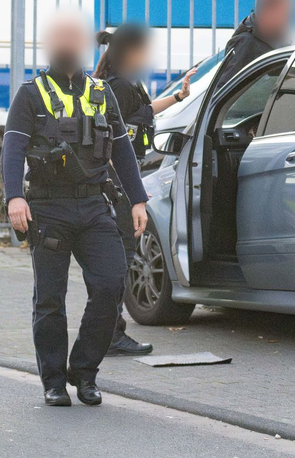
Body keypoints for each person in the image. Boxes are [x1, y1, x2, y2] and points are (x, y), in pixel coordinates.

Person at [1, 11, 149, 408]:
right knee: (50, 298)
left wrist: (137, 199)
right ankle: (53, 381)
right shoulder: (31, 94)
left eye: (74, 37)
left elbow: (121, 148)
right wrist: (14, 196)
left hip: (94, 205)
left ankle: (83, 371)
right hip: (48, 207)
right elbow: (12, 147)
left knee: (110, 284)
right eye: (60, 38)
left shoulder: (102, 92)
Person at [94, 23, 195, 357]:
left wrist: (179, 97)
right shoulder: (119, 86)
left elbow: (144, 114)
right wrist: (120, 186)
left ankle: (109, 333)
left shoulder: (123, 83)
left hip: (121, 182)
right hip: (118, 185)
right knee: (118, 261)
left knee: (119, 260)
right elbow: (109, 139)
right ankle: (110, 334)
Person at [210, 0, 294, 93]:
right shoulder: (246, 44)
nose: (287, 19)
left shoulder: (276, 39)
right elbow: (223, 93)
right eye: (284, 13)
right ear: (268, 12)